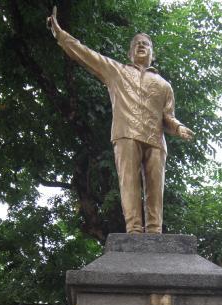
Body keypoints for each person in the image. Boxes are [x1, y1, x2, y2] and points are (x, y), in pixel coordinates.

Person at [46, 7, 194, 234]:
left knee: (156, 189)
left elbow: (168, 117)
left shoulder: (164, 85)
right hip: (126, 134)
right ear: (130, 53)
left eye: (146, 43)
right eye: (137, 43)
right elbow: (85, 54)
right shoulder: (117, 71)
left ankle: (155, 232)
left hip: (156, 140)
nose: (141, 45)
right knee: (129, 184)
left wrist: (179, 128)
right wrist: (60, 34)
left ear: (153, 53)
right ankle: (134, 231)